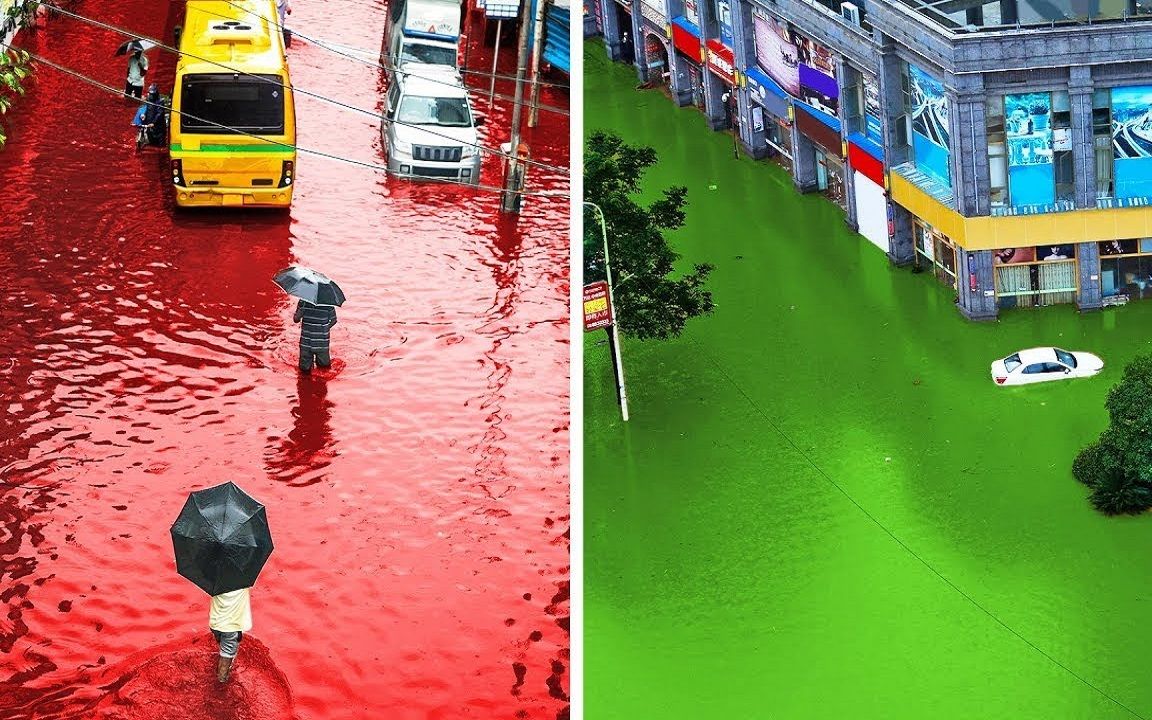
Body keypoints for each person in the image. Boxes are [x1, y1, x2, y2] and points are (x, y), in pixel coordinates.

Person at [209, 587, 252, 683]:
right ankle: (221, 682)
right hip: (231, 628)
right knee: (227, 656)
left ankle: (221, 660)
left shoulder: (216, 583)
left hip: (215, 623)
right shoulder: (242, 584)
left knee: (222, 647)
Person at [294, 299, 337, 372]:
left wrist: (300, 312)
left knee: (305, 371)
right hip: (321, 342)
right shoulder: (328, 304)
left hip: (307, 343)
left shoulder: (303, 302)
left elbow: (296, 319)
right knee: (324, 370)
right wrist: (324, 328)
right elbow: (334, 320)